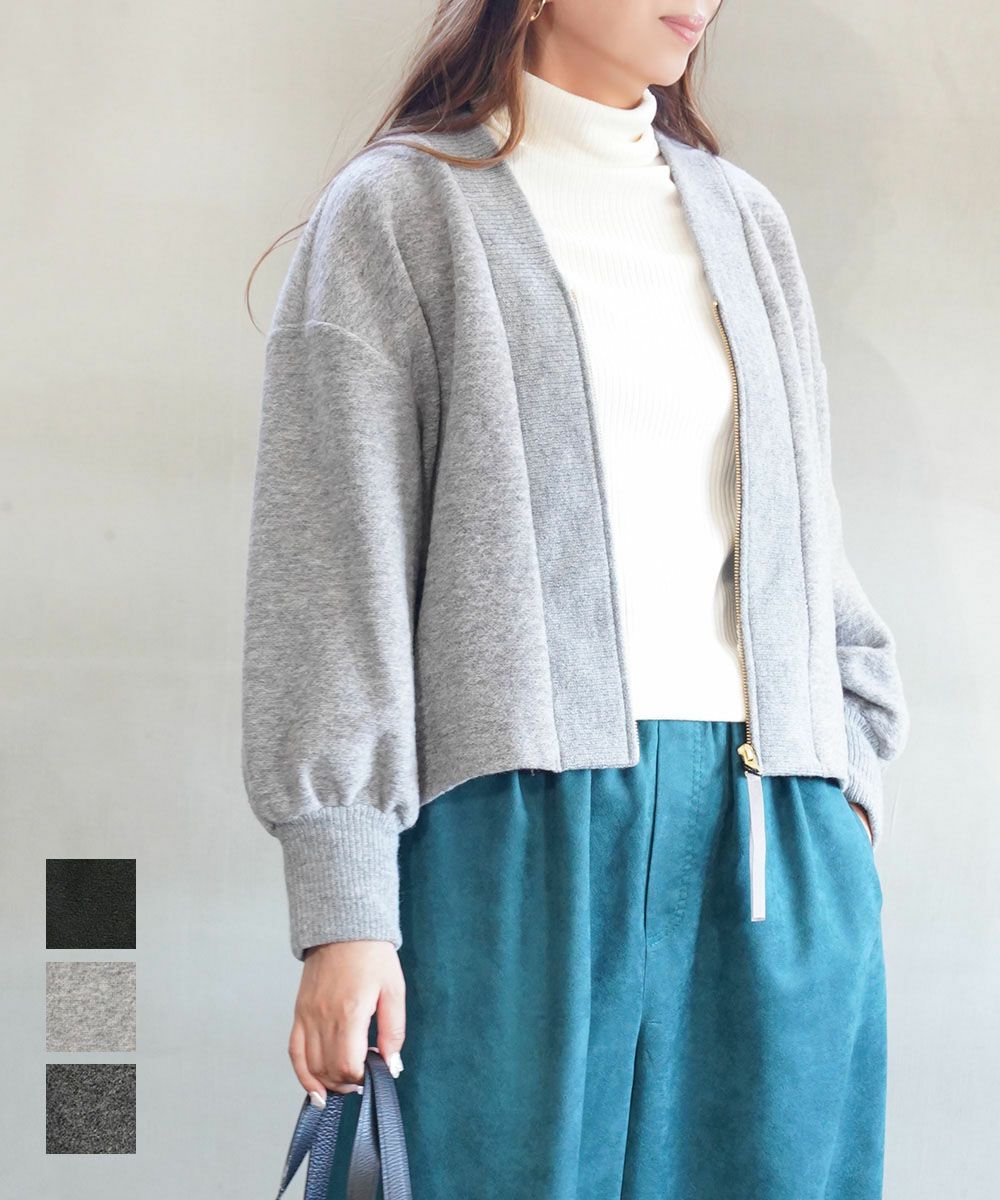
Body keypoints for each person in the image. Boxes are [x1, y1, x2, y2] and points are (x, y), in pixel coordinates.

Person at [241, 1, 909, 1195]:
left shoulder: (744, 222)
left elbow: (807, 541)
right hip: (513, 839)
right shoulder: (402, 210)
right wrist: (345, 904)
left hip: (770, 839)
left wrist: (843, 785)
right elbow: (333, 570)